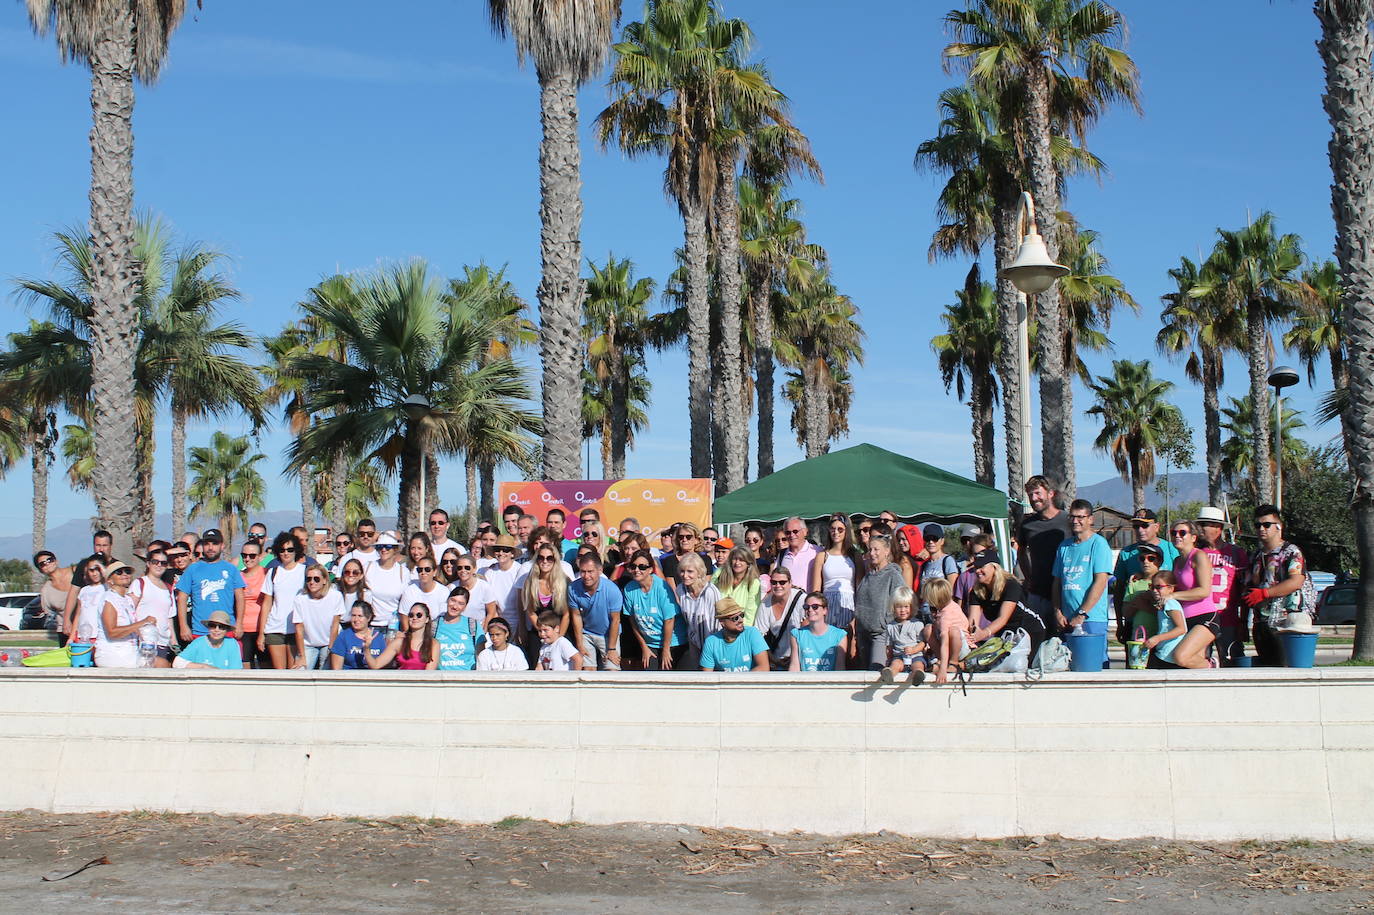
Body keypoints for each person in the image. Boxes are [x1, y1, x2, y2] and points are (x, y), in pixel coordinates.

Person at [1244, 504, 1311, 667]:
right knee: (1269, 667)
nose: (1262, 529)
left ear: (1278, 526)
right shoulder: (1255, 556)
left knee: (1288, 667)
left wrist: (1265, 593)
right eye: (1257, 525)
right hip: (1261, 622)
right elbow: (1247, 588)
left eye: (1267, 524)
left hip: (1287, 622)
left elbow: (1296, 581)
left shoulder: (1291, 552)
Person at [1052, 500, 1113, 669]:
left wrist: (1082, 613)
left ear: (1090, 519)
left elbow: (1101, 581)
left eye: (1081, 517)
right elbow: (1057, 582)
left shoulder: (1098, 544)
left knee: (1094, 666)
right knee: (1069, 666)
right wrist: (1057, 611)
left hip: (1091, 619)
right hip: (1067, 620)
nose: (1075, 520)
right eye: (1072, 516)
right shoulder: (1064, 547)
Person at [1196, 506, 1251, 665]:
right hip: (1202, 618)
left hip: (1228, 619)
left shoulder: (1236, 553)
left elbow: (1244, 589)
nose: (1200, 529)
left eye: (1204, 525)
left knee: (1231, 662)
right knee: (1200, 662)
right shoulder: (1196, 553)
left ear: (1217, 528)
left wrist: (1243, 621)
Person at [968, 550, 1048, 659]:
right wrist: (973, 633)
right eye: (976, 567)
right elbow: (973, 622)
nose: (978, 571)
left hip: (1029, 631)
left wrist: (983, 633)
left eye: (982, 566)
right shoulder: (977, 591)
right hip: (1005, 634)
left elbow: (1003, 618)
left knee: (1023, 666)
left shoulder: (1010, 584)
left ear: (994, 567)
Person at [1017, 475, 1072, 633]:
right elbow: (1021, 551)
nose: (1034, 498)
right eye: (1030, 495)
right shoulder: (1028, 525)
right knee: (1038, 641)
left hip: (1065, 593)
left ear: (1050, 493)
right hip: (1038, 594)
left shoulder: (1067, 521)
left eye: (1037, 493)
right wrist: (1028, 577)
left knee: (1065, 644)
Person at [1165, 520, 1217, 669]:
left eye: (1182, 533)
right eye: (1173, 533)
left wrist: (1173, 596)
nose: (1177, 536)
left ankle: (1213, 665)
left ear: (1193, 537)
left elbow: (1204, 591)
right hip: (1185, 619)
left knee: (1181, 657)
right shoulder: (1177, 561)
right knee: (1192, 665)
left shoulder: (1199, 556)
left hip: (1205, 617)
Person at [622, 548, 684, 670]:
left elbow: (669, 620)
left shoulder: (661, 587)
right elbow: (633, 620)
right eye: (633, 566)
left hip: (673, 642)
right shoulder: (629, 589)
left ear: (650, 569)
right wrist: (644, 646)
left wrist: (666, 650)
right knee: (649, 677)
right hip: (650, 643)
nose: (637, 570)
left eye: (642, 567)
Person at [1111, 509, 1179, 618]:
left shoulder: (1172, 549)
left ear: (1156, 527)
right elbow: (1119, 590)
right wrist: (1120, 622)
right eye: (1136, 526)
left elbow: (1179, 582)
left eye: (1144, 525)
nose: (1140, 530)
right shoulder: (1126, 553)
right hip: (1136, 620)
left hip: (1166, 616)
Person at [853, 535, 907, 670]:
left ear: (886, 551)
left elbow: (902, 601)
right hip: (863, 634)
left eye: (876, 550)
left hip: (881, 634)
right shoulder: (868, 576)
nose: (872, 553)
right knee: (863, 674)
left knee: (876, 671)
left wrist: (885, 623)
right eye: (870, 550)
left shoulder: (893, 575)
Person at [258, 533, 307, 669]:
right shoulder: (273, 572)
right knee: (279, 673)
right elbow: (267, 604)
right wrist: (261, 634)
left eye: (290, 549)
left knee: (294, 672)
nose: (286, 553)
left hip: (296, 630)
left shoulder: (305, 572)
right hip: (274, 628)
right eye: (282, 550)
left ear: (296, 550)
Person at [569, 551, 623, 670]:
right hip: (587, 633)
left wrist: (612, 649)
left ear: (600, 571)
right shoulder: (573, 588)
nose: (586, 576)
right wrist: (579, 643)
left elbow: (615, 620)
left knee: (612, 670)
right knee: (587, 671)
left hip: (608, 634)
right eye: (583, 571)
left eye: (590, 571)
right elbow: (576, 617)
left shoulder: (612, 590)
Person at [94, 561, 152, 668]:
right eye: (119, 572)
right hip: (113, 653)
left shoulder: (128, 600)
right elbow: (112, 632)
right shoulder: (109, 599)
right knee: (159, 664)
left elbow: (131, 628)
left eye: (127, 571)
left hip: (129, 652)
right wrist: (143, 622)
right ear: (110, 580)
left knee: (161, 663)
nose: (124, 574)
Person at [809, 512, 858, 630]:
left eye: (840, 529)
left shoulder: (855, 555)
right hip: (828, 602)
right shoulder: (822, 556)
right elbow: (816, 589)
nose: (836, 532)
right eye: (833, 529)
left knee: (847, 641)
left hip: (849, 603)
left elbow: (859, 586)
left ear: (846, 531)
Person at [672, 551, 721, 667]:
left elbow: (716, 624)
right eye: (682, 571)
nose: (685, 575)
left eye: (690, 571)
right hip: (694, 642)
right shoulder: (681, 589)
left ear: (699, 573)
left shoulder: (710, 591)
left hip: (713, 643)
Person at [130, 549, 176, 667]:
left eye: (163, 563)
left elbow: (169, 617)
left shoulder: (168, 588)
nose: (159, 565)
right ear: (148, 563)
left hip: (163, 644)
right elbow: (129, 612)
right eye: (155, 562)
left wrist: (174, 641)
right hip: (143, 642)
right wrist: (137, 633)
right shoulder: (139, 583)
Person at [293, 565, 344, 670]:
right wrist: (302, 656)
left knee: (328, 674)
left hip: (328, 643)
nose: (312, 582)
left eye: (316, 579)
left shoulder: (336, 596)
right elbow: (299, 629)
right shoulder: (300, 599)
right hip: (308, 644)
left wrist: (331, 649)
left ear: (324, 580)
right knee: (299, 671)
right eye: (308, 579)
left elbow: (334, 626)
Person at [755, 566, 806, 669]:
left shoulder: (802, 600)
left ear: (790, 583)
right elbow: (758, 636)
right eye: (774, 582)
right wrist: (772, 660)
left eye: (782, 582)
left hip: (801, 658)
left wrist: (795, 658)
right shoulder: (766, 603)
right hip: (777, 660)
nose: (778, 586)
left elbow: (808, 634)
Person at [699, 598, 768, 672]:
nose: (741, 620)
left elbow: (764, 668)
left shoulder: (753, 633)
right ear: (722, 622)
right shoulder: (711, 642)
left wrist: (736, 681)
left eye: (741, 615)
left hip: (749, 683)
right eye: (735, 618)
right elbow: (707, 675)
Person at [926, 578, 972, 686]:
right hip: (948, 645)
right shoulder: (947, 605)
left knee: (953, 631)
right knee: (928, 629)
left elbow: (945, 642)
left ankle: (953, 663)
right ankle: (942, 659)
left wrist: (942, 670)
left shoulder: (946, 615)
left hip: (961, 647)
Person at [1116, 545, 1164, 645]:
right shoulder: (1134, 583)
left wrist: (1143, 605)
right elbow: (1126, 613)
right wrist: (1136, 602)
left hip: (1160, 640)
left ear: (1159, 561)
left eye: (1151, 558)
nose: (1146, 562)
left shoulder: (1164, 584)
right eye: (1142, 558)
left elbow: (1166, 614)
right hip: (1138, 638)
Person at [878, 585, 926, 684]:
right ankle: (890, 674)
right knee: (896, 664)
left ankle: (918, 675)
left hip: (915, 655)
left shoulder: (917, 624)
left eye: (906, 606)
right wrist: (889, 659)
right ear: (893, 607)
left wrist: (913, 650)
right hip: (899, 655)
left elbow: (922, 643)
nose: (903, 610)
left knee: (917, 664)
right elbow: (889, 646)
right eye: (899, 607)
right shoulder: (890, 626)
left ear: (912, 607)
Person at [788, 593, 848, 672]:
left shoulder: (839, 635)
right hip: (805, 682)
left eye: (815, 607)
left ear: (825, 610)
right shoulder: (796, 634)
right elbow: (794, 666)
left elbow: (839, 668)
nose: (810, 610)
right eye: (806, 607)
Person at [369, 603, 439, 670]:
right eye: (411, 615)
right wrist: (366, 648)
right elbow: (376, 665)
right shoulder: (399, 642)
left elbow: (429, 672)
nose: (414, 618)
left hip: (422, 681)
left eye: (419, 615)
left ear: (426, 619)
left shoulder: (433, 644)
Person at [363, 533, 408, 632]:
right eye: (380, 547)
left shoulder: (403, 572)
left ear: (395, 549)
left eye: (388, 547)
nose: (383, 550)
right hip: (369, 625)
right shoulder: (367, 568)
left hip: (393, 626)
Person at [1143, 571, 1189, 670]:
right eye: (1152, 587)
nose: (1155, 590)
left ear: (1171, 588)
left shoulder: (1170, 603)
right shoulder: (1164, 604)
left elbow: (1181, 629)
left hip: (1168, 654)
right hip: (1163, 653)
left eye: (1159, 587)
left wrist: (1157, 638)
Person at [449, 555, 501, 640]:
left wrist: (483, 631)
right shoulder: (451, 588)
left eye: (467, 568)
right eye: (459, 568)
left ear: (474, 568)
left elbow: (491, 612)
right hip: (457, 633)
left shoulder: (484, 586)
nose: (463, 571)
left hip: (479, 632)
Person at [481, 535, 524, 635]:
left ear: (512, 553)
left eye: (505, 550)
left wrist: (521, 627)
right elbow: (492, 605)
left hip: (519, 622)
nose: (501, 553)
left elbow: (523, 603)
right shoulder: (490, 573)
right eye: (498, 549)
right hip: (498, 622)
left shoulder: (519, 570)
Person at [172, 610, 243, 670]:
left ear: (227, 629)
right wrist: (204, 667)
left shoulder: (232, 644)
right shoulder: (199, 642)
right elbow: (177, 663)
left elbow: (236, 670)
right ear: (208, 627)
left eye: (221, 627)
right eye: (213, 625)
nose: (216, 630)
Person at [237, 540, 269, 667]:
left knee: (266, 667)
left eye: (252, 555)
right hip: (244, 628)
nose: (247, 558)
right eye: (244, 555)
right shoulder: (238, 575)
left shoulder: (267, 574)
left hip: (263, 627)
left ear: (260, 556)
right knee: (246, 668)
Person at [917, 523, 959, 617]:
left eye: (935, 539)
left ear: (942, 541)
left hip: (941, 614)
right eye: (927, 539)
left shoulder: (948, 561)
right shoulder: (924, 565)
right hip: (925, 613)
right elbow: (921, 594)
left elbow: (952, 591)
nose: (931, 542)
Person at [64, 555, 107, 647]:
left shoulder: (106, 588)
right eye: (91, 570)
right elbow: (78, 615)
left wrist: (104, 571)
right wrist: (71, 637)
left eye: (98, 569)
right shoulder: (84, 590)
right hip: (82, 636)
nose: (95, 573)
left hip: (99, 635)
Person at [714, 546, 762, 626]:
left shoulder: (754, 583)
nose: (737, 563)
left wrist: (743, 632)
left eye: (741, 560)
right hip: (717, 625)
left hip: (740, 627)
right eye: (735, 559)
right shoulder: (720, 573)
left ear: (748, 563)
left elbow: (750, 613)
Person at [330, 601, 385, 670]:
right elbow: (336, 669)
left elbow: (382, 666)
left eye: (360, 616)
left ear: (368, 618)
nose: (356, 619)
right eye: (353, 615)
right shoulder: (343, 636)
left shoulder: (378, 637)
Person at [34, 550, 74, 643]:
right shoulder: (46, 590)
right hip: (65, 631)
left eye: (49, 560)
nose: (47, 564)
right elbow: (50, 614)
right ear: (40, 569)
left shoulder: (75, 572)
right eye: (42, 563)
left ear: (56, 561)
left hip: (87, 627)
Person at [399, 554, 448, 626]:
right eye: (420, 570)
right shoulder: (410, 591)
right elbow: (404, 616)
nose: (423, 572)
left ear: (434, 572)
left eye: (427, 569)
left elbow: (444, 618)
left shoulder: (444, 592)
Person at [435, 588, 478, 671]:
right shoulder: (434, 625)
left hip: (467, 679)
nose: (455, 606)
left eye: (461, 603)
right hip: (441, 679)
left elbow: (480, 655)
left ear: (465, 607)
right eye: (453, 600)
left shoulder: (473, 625)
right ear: (447, 600)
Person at [661, 522, 713, 589]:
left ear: (697, 540)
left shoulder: (705, 560)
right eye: (681, 537)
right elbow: (672, 589)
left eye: (688, 537)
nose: (684, 540)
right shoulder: (670, 561)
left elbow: (705, 586)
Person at [774, 517, 817, 587]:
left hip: (808, 597)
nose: (791, 535)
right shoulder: (782, 555)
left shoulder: (816, 551)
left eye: (795, 531)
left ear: (805, 531)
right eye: (788, 532)